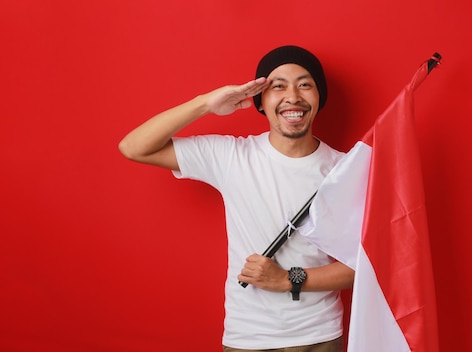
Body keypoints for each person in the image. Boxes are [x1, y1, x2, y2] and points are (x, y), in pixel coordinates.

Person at [119, 45, 354, 352]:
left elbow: (365, 265)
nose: (293, 96)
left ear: (318, 96)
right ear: (260, 100)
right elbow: (134, 147)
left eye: (305, 84)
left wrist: (288, 279)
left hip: (319, 337)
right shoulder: (232, 156)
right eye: (277, 86)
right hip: (247, 338)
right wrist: (206, 104)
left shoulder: (347, 170)